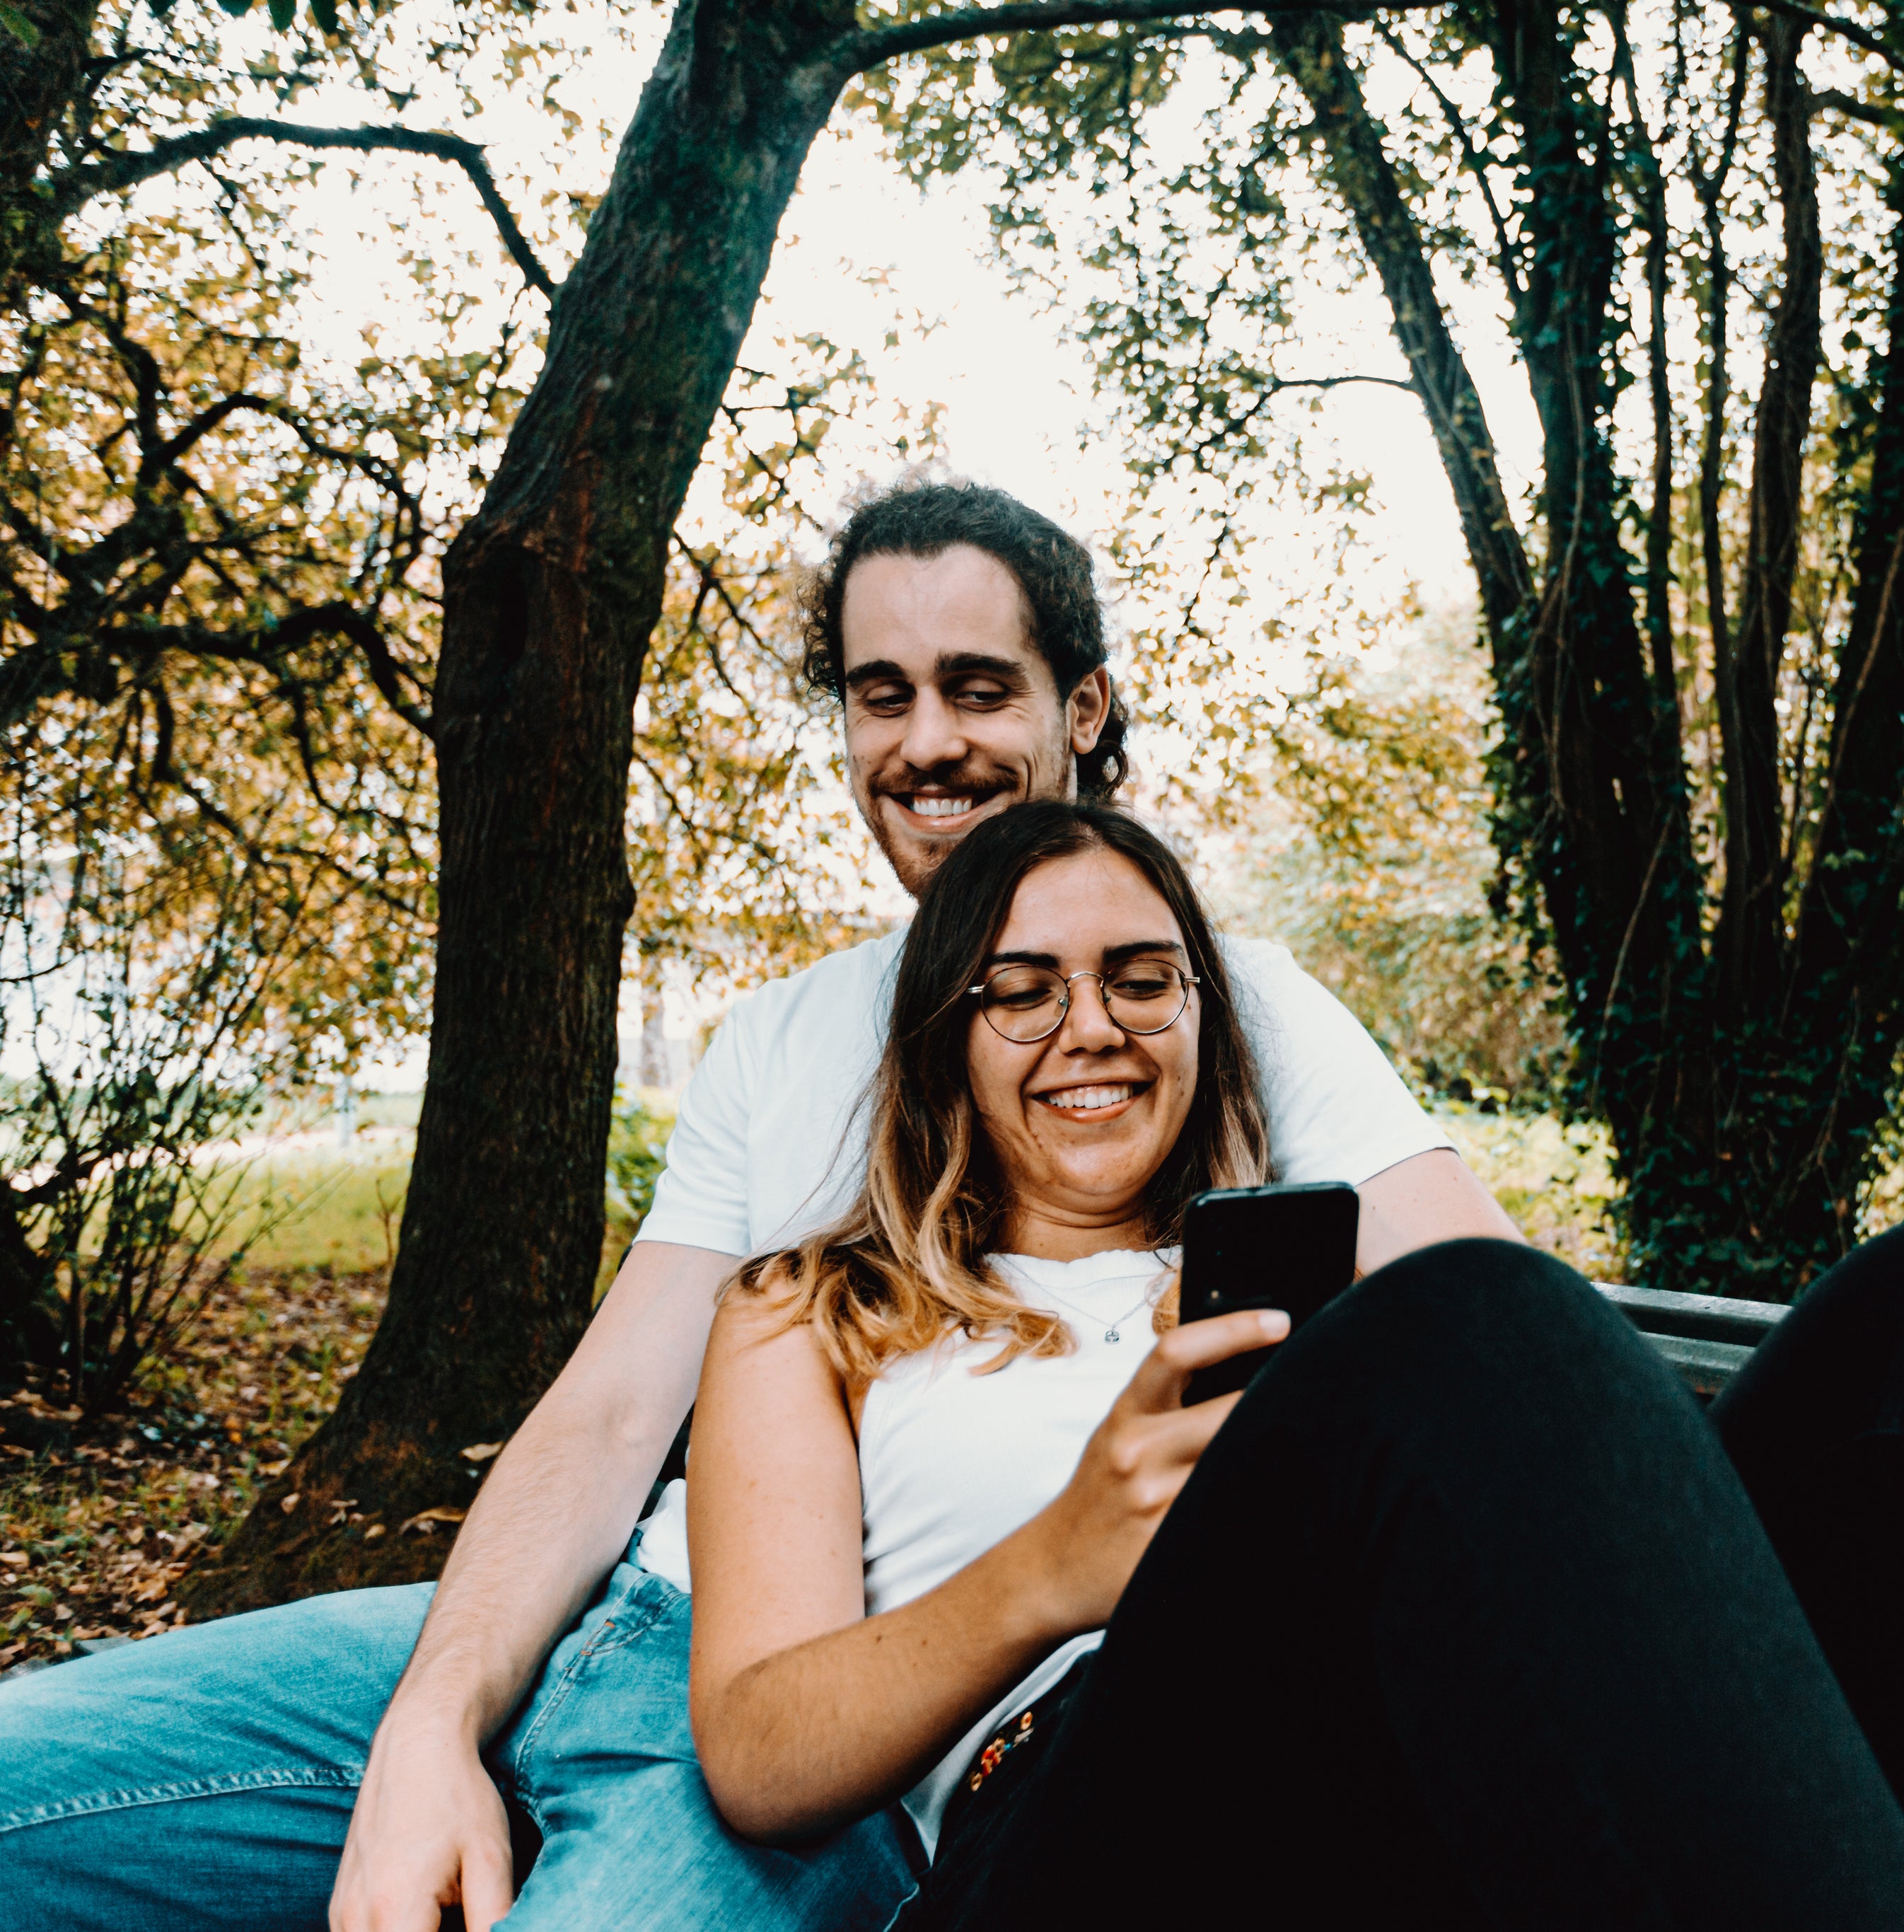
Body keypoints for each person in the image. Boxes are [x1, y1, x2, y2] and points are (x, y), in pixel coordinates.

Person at [0, 482, 1520, 1931]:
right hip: (618, 1616)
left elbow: (1487, 1342)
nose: (927, 741)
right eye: (881, 691)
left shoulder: (1218, 1007)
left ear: (1084, 709)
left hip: (823, 1742)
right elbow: (604, 1420)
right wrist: (435, 1715)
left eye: (980, 687)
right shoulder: (782, 1035)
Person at [682, 797, 1904, 1931]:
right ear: (942, 1039)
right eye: (1021, 989)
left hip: (1448, 1795)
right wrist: (1051, 1569)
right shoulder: (816, 1304)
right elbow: (758, 1745)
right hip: (1088, 1840)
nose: (1093, 1026)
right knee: (1472, 1320)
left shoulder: (1306, 1270)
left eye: (1145, 979)